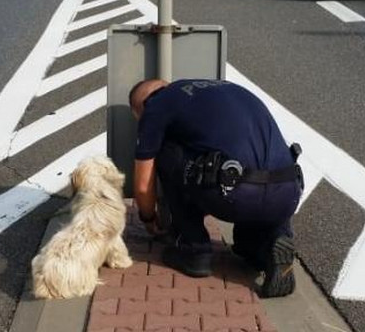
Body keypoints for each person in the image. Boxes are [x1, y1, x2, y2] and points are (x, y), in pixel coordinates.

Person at [129, 78, 303, 298]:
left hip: (236, 193)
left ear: (142, 106)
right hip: (287, 190)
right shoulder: (227, 87)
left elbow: (144, 185)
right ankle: (273, 242)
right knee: (244, 247)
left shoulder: (157, 104)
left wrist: (148, 218)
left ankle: (194, 249)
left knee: (166, 153)